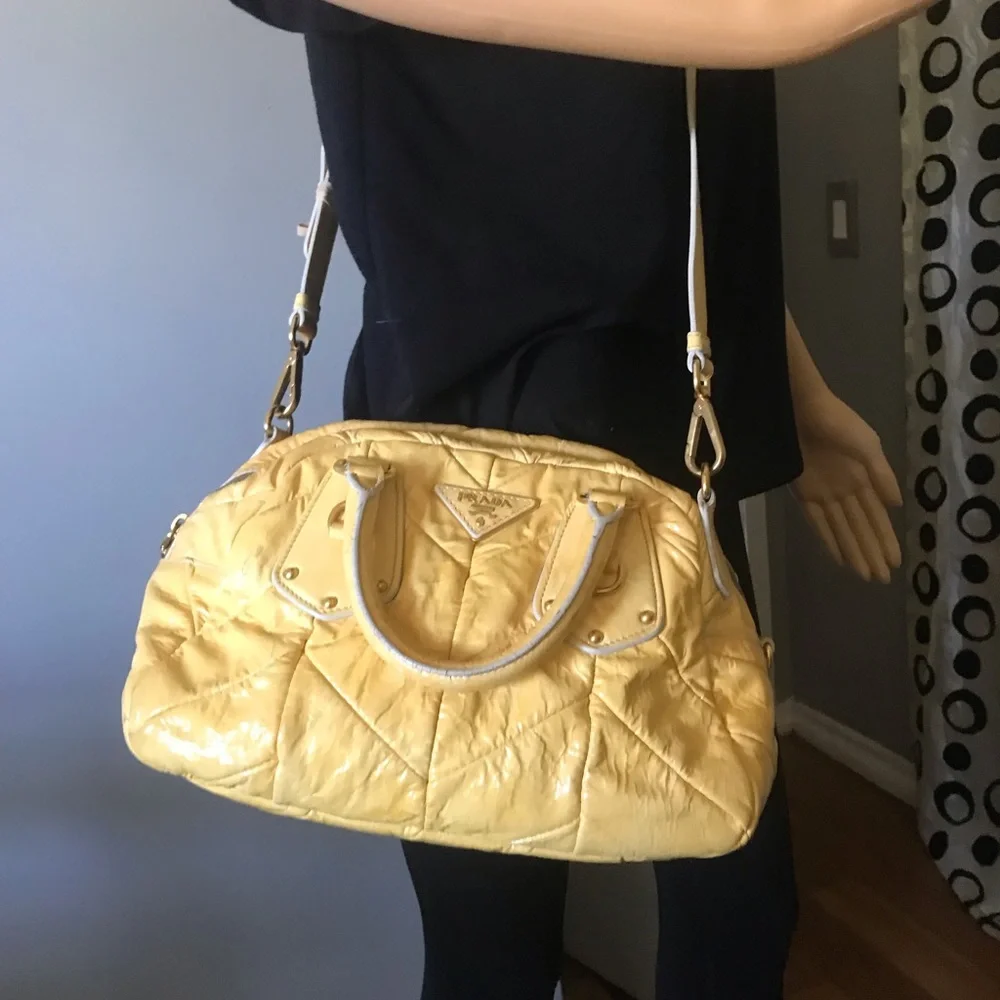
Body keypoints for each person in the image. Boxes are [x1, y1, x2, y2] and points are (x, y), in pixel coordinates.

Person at [225, 2, 913, 996]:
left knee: (737, 904)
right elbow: (763, 20)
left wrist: (794, 393)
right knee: (493, 939)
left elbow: (682, 177)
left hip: (666, 461)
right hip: (451, 493)